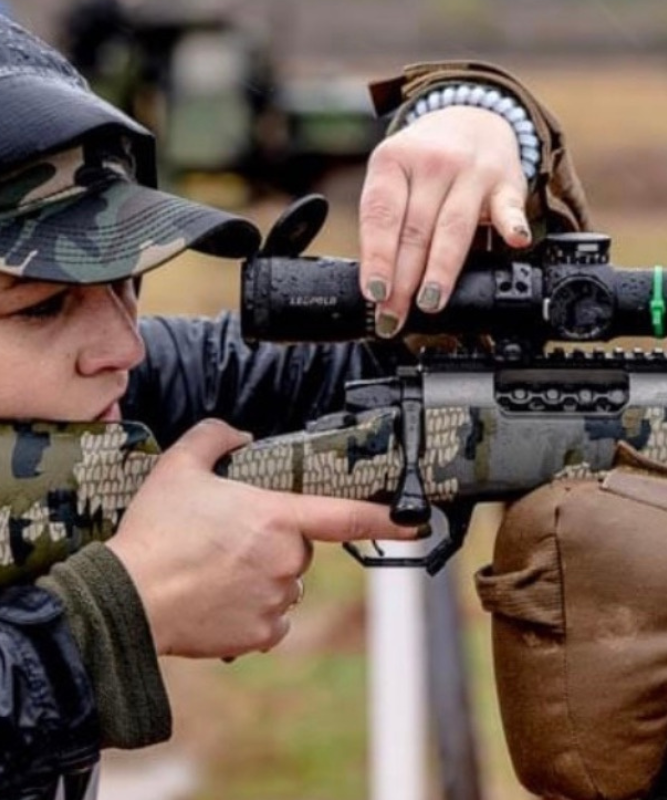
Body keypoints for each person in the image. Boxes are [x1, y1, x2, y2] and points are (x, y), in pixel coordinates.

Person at [0, 15, 589, 800]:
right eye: (41, 307)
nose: (123, 348)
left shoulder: (115, 398)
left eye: (124, 281)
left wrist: (479, 120)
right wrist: (114, 619)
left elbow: (397, 375)